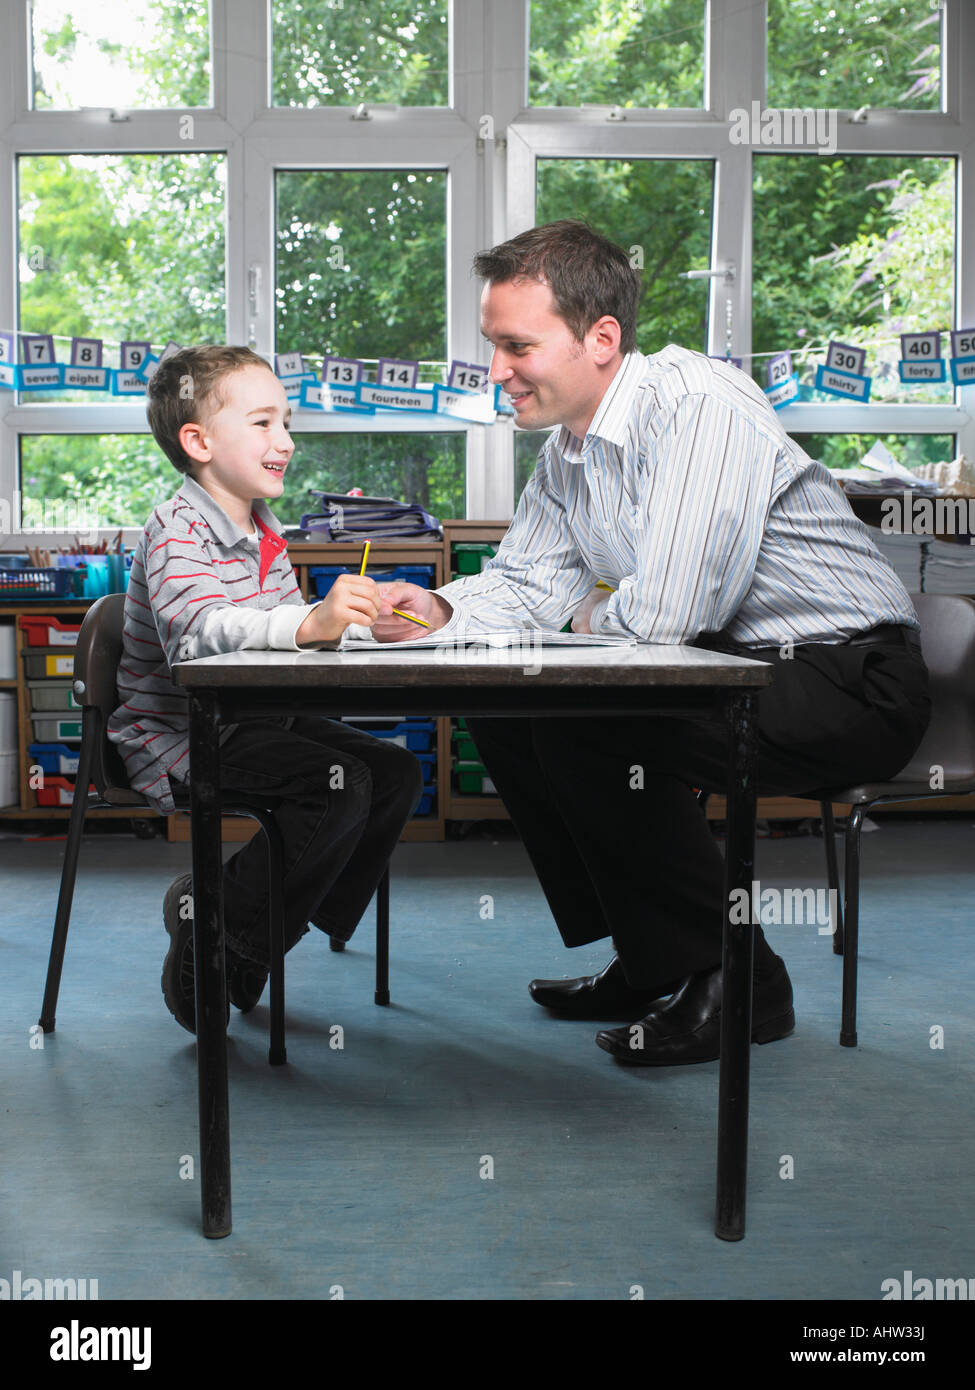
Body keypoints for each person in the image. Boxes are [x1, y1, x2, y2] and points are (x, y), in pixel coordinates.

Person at [370, 219, 932, 1067]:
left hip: (846, 678)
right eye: (492, 346)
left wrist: (591, 621)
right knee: (499, 697)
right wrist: (438, 613)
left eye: (515, 345)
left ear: (600, 339)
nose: (495, 373)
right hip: (727, 671)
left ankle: (734, 977)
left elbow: (665, 614)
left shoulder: (699, 405)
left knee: (588, 719)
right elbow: (526, 588)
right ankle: (653, 954)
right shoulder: (566, 456)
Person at [108, 345, 423, 1033]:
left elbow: (284, 644)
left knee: (395, 769)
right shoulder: (175, 530)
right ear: (198, 441)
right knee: (339, 783)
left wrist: (363, 627)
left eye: (286, 423)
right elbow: (200, 632)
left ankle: (256, 924)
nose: (284, 441)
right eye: (262, 423)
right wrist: (313, 619)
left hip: (259, 722)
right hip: (184, 736)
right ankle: (227, 935)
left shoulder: (265, 534)